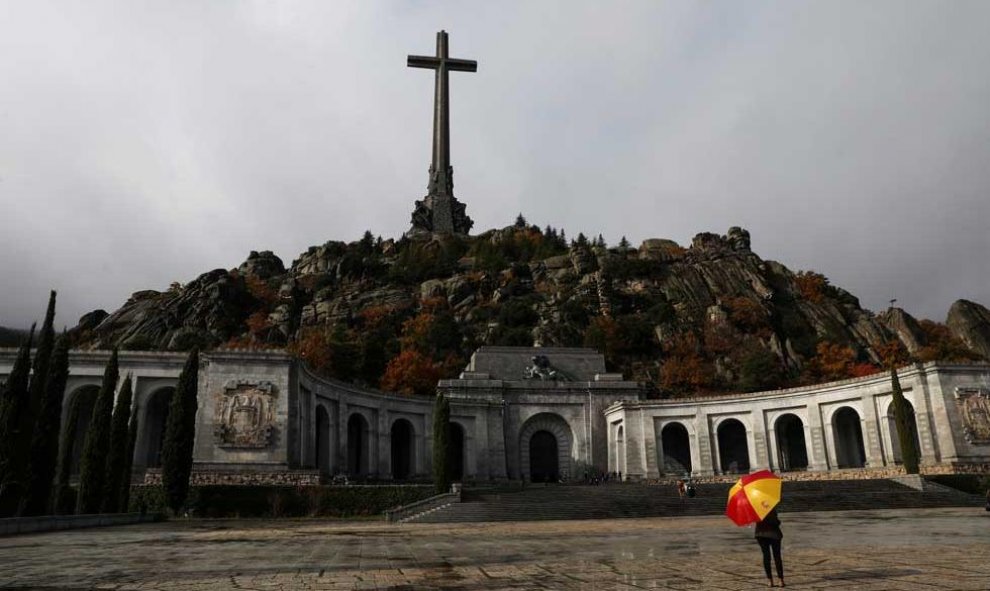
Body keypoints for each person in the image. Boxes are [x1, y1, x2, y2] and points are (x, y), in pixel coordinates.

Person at [754, 508, 785, 587]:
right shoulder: (770, 507)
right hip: (774, 534)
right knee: (777, 556)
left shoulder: (755, 509)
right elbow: (775, 522)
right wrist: (778, 521)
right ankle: (780, 580)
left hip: (761, 534)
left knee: (766, 556)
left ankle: (769, 581)